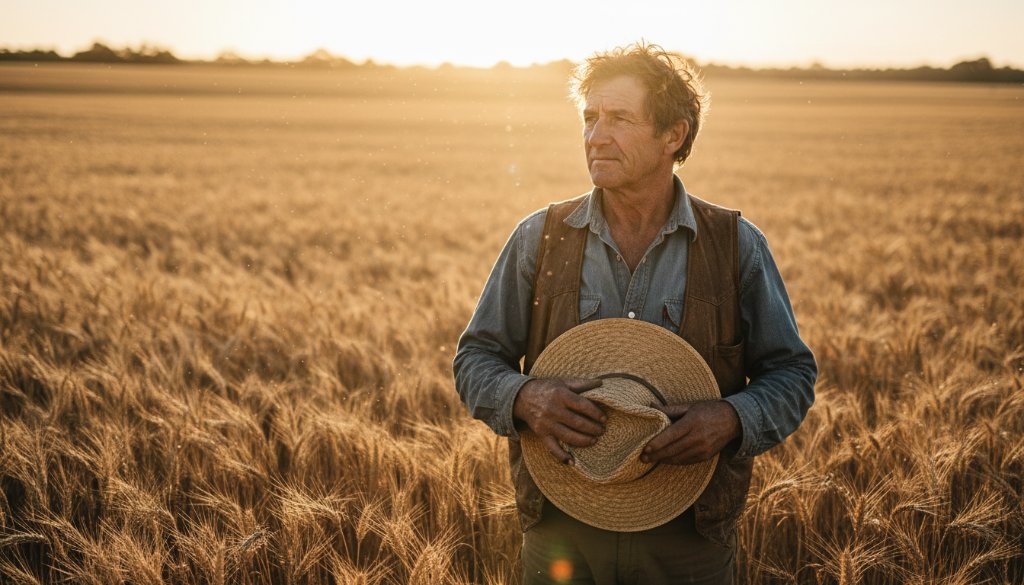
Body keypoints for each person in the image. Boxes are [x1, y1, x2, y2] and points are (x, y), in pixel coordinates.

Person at [453, 42, 816, 585]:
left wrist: (732, 419)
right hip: (561, 533)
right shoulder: (538, 239)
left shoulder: (736, 246)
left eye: (619, 118)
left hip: (690, 541)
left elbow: (791, 373)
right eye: (590, 118)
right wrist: (525, 397)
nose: (596, 136)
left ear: (674, 134)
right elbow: (475, 358)